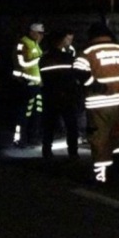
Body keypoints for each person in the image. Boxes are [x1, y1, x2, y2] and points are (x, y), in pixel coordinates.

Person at [73, 22, 119, 183]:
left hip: (97, 102)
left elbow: (78, 71)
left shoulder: (87, 52)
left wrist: (94, 84)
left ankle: (101, 175)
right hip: (117, 100)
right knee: (117, 133)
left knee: (99, 137)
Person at [40, 30, 81, 160]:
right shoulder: (68, 58)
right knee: (71, 126)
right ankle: (73, 153)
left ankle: (46, 151)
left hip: (49, 96)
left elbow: (44, 77)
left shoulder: (44, 59)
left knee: (49, 126)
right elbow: (77, 75)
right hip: (67, 96)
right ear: (60, 42)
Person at [12, 22, 45, 147]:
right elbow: (22, 64)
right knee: (23, 114)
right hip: (25, 84)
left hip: (36, 85)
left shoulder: (35, 43)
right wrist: (40, 58)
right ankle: (19, 139)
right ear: (32, 32)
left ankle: (33, 138)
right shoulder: (22, 43)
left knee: (37, 113)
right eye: (39, 33)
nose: (41, 36)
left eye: (42, 34)